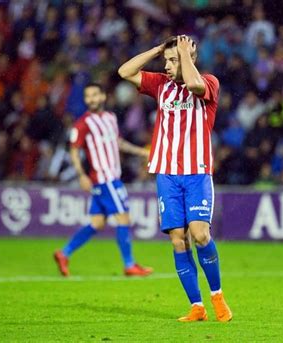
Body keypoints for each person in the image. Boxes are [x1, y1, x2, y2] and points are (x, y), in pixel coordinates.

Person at [118, 35, 232, 322]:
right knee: (178, 241)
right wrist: (158, 49)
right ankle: (197, 306)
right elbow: (124, 72)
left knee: (200, 234)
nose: (167, 66)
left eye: (173, 61)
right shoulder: (161, 86)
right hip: (167, 173)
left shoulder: (209, 82)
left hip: (196, 172)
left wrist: (184, 54)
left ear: (189, 59)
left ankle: (217, 296)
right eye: (165, 61)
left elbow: (194, 85)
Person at [54, 83, 153, 277]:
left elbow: (118, 143)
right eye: (87, 96)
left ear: (103, 97)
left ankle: (64, 253)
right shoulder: (82, 123)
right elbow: (74, 151)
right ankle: (129, 264)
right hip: (105, 178)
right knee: (123, 217)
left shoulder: (110, 118)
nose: (91, 99)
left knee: (97, 223)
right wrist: (81, 175)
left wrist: (141, 151)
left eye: (94, 95)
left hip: (107, 179)